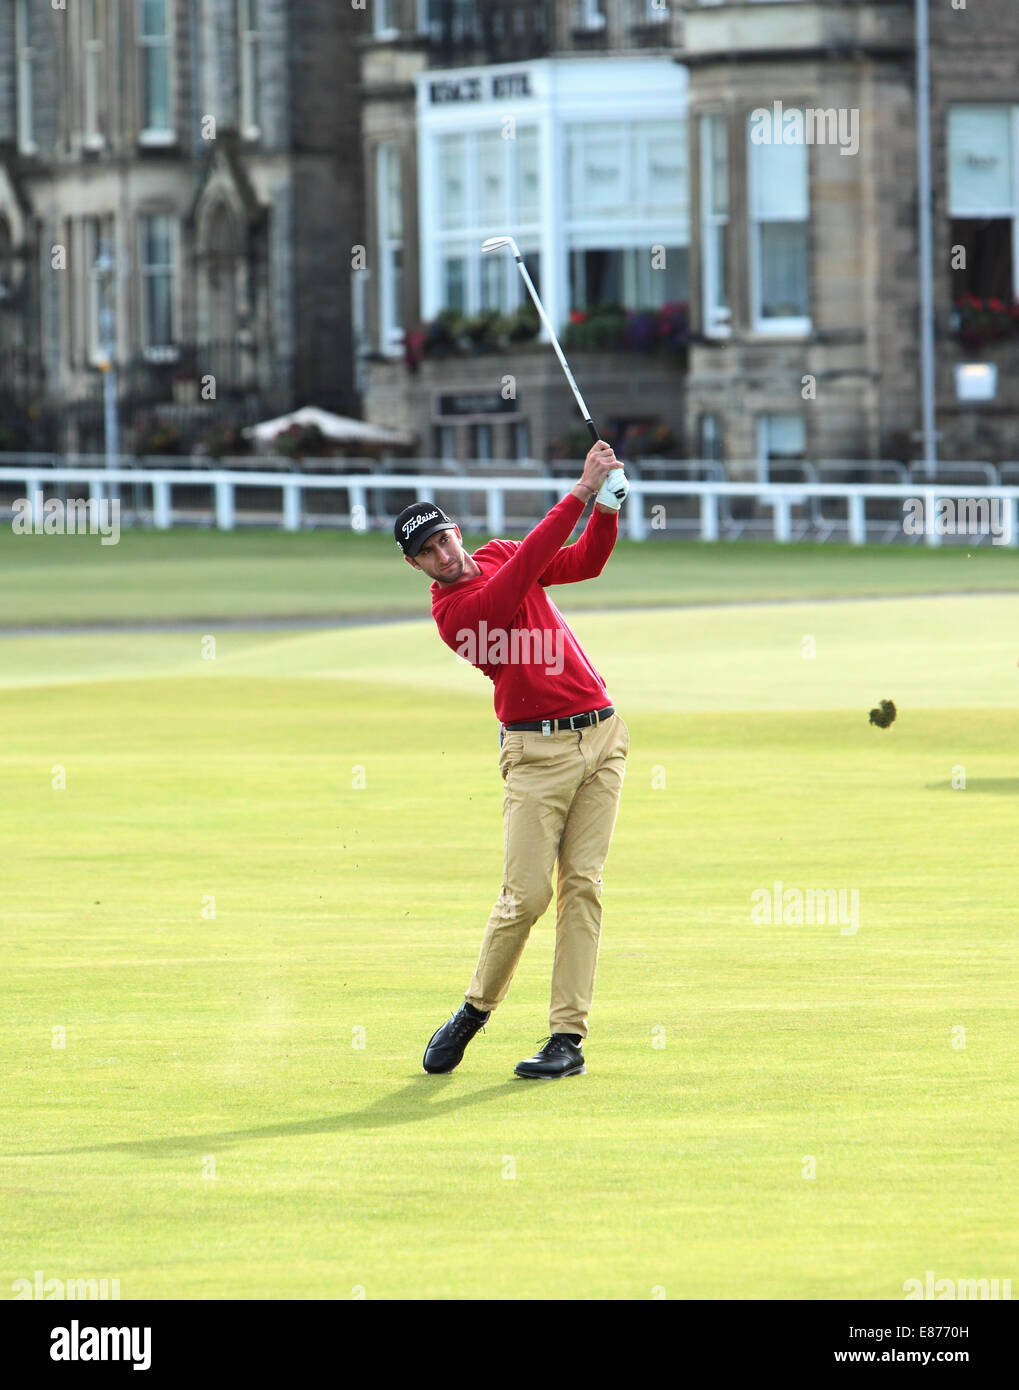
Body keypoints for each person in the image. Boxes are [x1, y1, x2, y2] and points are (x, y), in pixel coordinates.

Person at [395, 441, 630, 1079]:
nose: (444, 554)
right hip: (535, 755)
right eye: (429, 552)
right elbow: (521, 575)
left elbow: (583, 562)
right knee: (525, 897)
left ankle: (566, 1040)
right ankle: (473, 1012)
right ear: (418, 567)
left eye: (444, 539)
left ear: (455, 530)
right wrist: (579, 491)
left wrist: (607, 507)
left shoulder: (497, 554)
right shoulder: (456, 614)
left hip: (602, 736)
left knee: (583, 886)